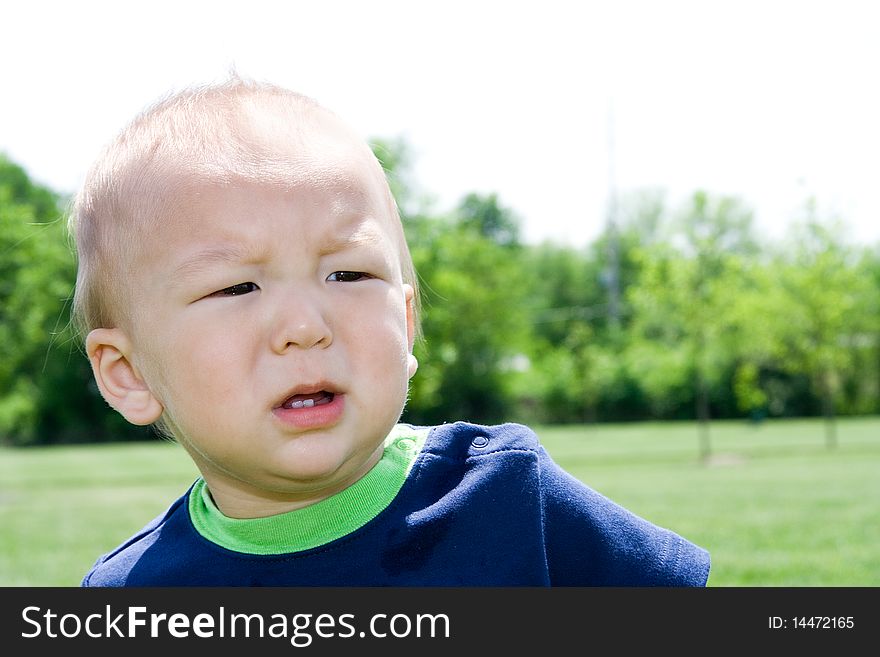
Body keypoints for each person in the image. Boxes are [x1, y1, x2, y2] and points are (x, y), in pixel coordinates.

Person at [73, 76, 710, 586]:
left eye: (348, 274)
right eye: (237, 287)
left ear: (405, 324)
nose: (304, 326)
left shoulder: (509, 500)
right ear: (128, 374)